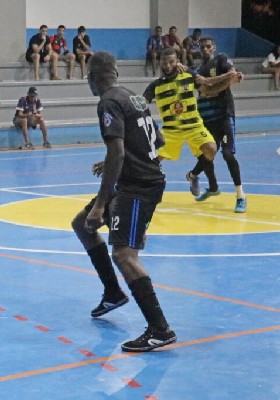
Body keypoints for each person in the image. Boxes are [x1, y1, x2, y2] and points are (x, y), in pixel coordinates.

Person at [71, 52, 176, 352]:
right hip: (134, 180)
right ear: (116, 73)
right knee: (81, 225)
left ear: (92, 77)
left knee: (124, 255)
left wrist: (101, 205)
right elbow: (158, 140)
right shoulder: (133, 97)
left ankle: (160, 329)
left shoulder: (107, 102)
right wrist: (117, 160)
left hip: (138, 186)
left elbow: (117, 151)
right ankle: (113, 292)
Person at [142, 48, 217, 196]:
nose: (168, 66)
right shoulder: (155, 85)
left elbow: (207, 88)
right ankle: (145, 189)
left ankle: (192, 176)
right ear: (160, 63)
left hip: (194, 126)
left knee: (211, 149)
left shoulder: (189, 75)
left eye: (171, 62)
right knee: (151, 160)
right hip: (170, 130)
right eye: (164, 62)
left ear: (177, 61)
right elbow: (143, 102)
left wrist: (228, 78)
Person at [190, 36, 247, 213]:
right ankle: (210, 186)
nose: (205, 49)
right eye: (202, 47)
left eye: (208, 46)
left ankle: (240, 196)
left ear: (213, 47)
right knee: (207, 153)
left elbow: (233, 75)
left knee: (228, 154)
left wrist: (211, 83)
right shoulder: (197, 70)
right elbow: (205, 90)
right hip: (207, 118)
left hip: (224, 115)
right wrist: (222, 82)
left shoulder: (221, 59)